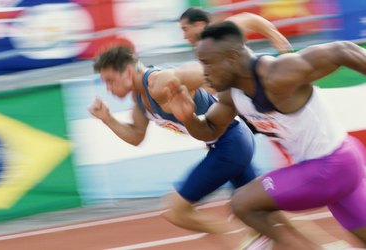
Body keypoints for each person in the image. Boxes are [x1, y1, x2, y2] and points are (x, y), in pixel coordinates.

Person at [167, 20, 366, 249]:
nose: (204, 72)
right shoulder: (231, 95)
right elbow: (210, 130)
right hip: (338, 164)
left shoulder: (278, 73)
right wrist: (187, 118)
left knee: (243, 203)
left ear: (231, 58)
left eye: (207, 63)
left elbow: (343, 51)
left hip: (331, 165)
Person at [88, 45, 256, 236]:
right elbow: (136, 137)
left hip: (231, 143)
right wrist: (107, 119)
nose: (108, 89)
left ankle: (240, 240)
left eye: (110, 81)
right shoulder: (140, 99)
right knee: (257, 214)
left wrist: (206, 80)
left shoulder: (158, 82)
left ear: (127, 72)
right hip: (225, 144)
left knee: (177, 210)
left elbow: (200, 72)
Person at [179, 7, 292, 53]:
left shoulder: (221, 32)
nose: (184, 36)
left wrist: (274, 35)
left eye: (185, 29)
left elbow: (249, 18)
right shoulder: (203, 49)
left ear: (199, 25)